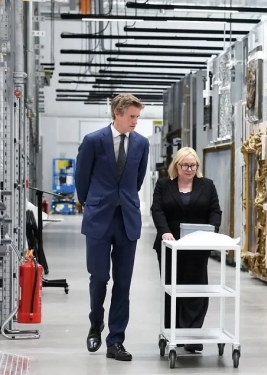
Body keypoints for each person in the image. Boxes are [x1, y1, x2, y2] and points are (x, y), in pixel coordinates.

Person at [75, 94, 149, 361]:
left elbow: (137, 179)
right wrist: (91, 203)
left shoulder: (141, 143)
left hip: (127, 218)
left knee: (123, 282)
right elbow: (81, 179)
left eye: (137, 117)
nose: (135, 121)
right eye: (131, 116)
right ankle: (96, 323)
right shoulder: (93, 141)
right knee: (99, 277)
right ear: (117, 113)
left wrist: (124, 200)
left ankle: (116, 340)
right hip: (99, 217)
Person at [150, 147, 222, 353]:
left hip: (197, 246)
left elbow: (215, 211)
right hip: (170, 245)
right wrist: (164, 231)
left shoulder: (207, 185)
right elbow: (157, 210)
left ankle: (193, 334)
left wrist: (211, 232)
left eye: (193, 165)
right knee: (172, 287)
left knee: (196, 288)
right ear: (177, 166)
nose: (190, 169)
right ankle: (173, 331)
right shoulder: (164, 185)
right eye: (186, 165)